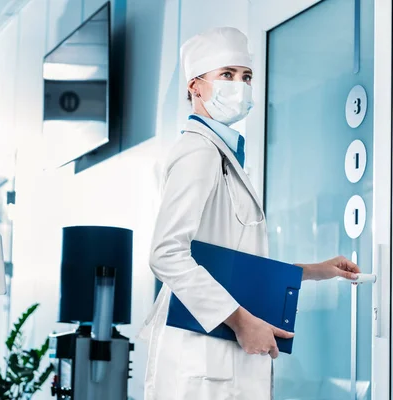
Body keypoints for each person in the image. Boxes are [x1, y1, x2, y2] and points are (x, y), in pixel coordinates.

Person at [140, 27, 361, 400]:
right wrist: (241, 321)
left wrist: (315, 271)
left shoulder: (224, 156)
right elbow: (165, 254)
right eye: (226, 75)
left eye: (246, 77)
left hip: (219, 349)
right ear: (195, 86)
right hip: (203, 355)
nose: (239, 85)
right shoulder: (199, 152)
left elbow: (234, 258)